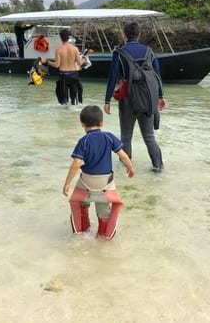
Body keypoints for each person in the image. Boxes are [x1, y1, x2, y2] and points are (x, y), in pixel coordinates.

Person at [63, 105, 135, 239]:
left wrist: (67, 184)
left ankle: (83, 230)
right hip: (105, 185)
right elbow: (123, 155)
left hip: (86, 183)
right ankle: (103, 236)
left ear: (82, 124)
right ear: (101, 122)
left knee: (81, 202)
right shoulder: (109, 137)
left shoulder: (83, 141)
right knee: (103, 210)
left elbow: (77, 163)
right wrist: (130, 168)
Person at [104, 21, 166, 172]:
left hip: (127, 99)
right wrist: (160, 96)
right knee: (149, 136)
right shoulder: (149, 52)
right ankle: (158, 167)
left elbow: (112, 77)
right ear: (139, 35)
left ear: (124, 36)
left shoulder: (119, 53)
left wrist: (107, 101)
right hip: (147, 98)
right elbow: (157, 76)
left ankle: (127, 169)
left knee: (126, 137)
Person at [41, 28, 87, 105]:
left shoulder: (59, 50)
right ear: (68, 38)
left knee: (64, 102)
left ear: (60, 38)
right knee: (74, 102)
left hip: (63, 76)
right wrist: (84, 60)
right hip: (73, 75)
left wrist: (46, 62)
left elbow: (56, 65)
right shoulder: (75, 49)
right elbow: (80, 63)